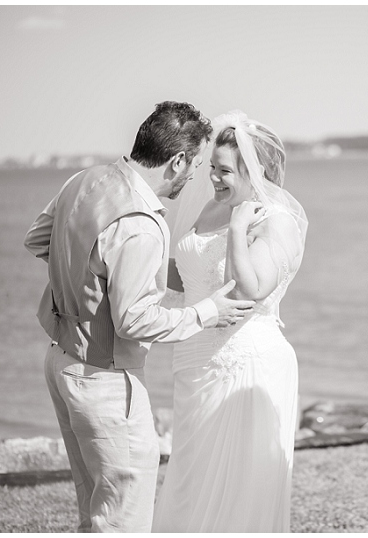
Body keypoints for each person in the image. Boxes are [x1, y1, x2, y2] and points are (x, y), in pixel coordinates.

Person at [24, 101, 256, 533]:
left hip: (59, 363)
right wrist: (208, 312)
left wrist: (87, 277)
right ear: (177, 160)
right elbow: (134, 321)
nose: (195, 178)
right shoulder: (142, 224)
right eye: (196, 165)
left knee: (94, 507)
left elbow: (40, 240)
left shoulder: (84, 180)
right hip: (105, 381)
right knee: (123, 518)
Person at [152, 110, 307, 532]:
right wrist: (125, 262)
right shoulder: (211, 207)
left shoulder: (276, 221)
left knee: (238, 491)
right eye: (213, 170)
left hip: (245, 362)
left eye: (224, 172)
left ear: (253, 170)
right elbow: (189, 271)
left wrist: (239, 230)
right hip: (194, 360)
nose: (215, 180)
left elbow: (247, 290)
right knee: (191, 481)